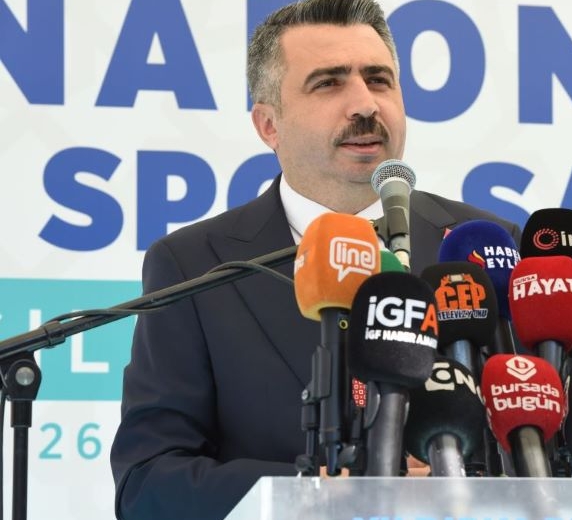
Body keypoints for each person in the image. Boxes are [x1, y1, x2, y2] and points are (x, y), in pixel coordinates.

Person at [109, 1, 519, 519]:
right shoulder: (195, 266)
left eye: (379, 80)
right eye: (328, 83)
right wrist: (317, 496)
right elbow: (149, 482)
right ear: (268, 125)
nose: (365, 104)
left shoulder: (486, 247)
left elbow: (551, 451)